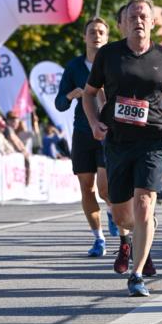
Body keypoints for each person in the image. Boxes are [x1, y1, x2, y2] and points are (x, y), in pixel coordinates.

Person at [83, 0, 162, 296]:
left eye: (144, 16)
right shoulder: (109, 55)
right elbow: (89, 94)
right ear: (124, 23)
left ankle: (137, 274)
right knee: (121, 215)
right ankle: (131, 238)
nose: (139, 21)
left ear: (153, 22)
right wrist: (94, 123)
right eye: (133, 17)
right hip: (117, 141)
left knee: (144, 204)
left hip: (153, 139)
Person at [56, 17, 121, 258]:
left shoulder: (114, 64)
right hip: (83, 132)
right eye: (92, 31)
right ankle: (99, 239)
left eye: (101, 32)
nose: (96, 35)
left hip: (107, 133)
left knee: (105, 189)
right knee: (86, 188)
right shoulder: (74, 67)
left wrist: (105, 96)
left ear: (107, 37)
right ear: (85, 37)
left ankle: (114, 211)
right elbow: (60, 103)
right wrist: (72, 94)